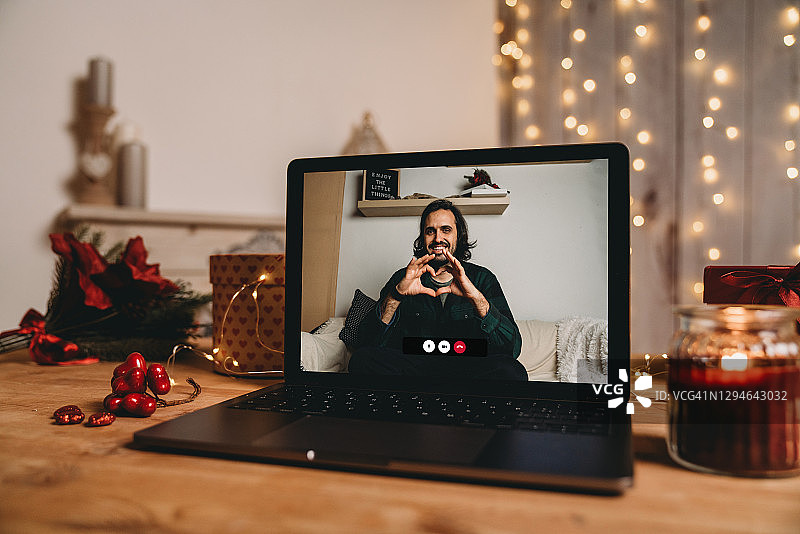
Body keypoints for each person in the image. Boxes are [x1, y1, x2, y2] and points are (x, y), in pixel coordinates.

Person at [350, 199, 526, 381]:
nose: (438, 238)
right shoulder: (403, 278)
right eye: (430, 231)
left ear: (459, 235)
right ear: (423, 238)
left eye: (446, 230)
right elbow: (367, 342)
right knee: (361, 360)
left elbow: (512, 349)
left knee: (513, 371)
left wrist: (475, 297)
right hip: (414, 371)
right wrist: (396, 295)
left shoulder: (483, 278)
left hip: (467, 371)